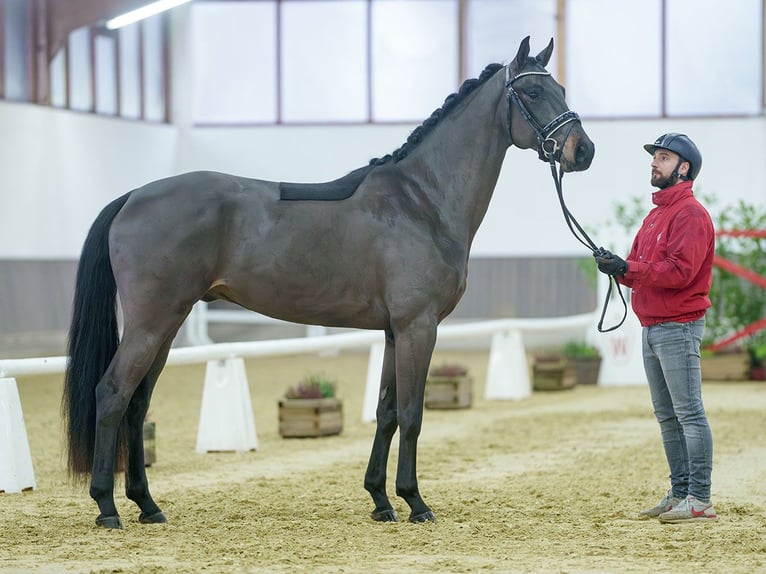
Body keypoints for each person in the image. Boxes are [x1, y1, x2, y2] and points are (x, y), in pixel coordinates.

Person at [594, 133, 717, 523]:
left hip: (677, 326)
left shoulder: (691, 215)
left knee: (688, 413)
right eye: (655, 158)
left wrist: (628, 269)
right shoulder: (656, 216)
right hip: (653, 326)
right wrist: (618, 266)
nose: (653, 163)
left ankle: (699, 498)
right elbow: (640, 269)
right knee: (668, 416)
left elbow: (680, 272)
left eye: (663, 158)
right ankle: (681, 492)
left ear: (683, 168)